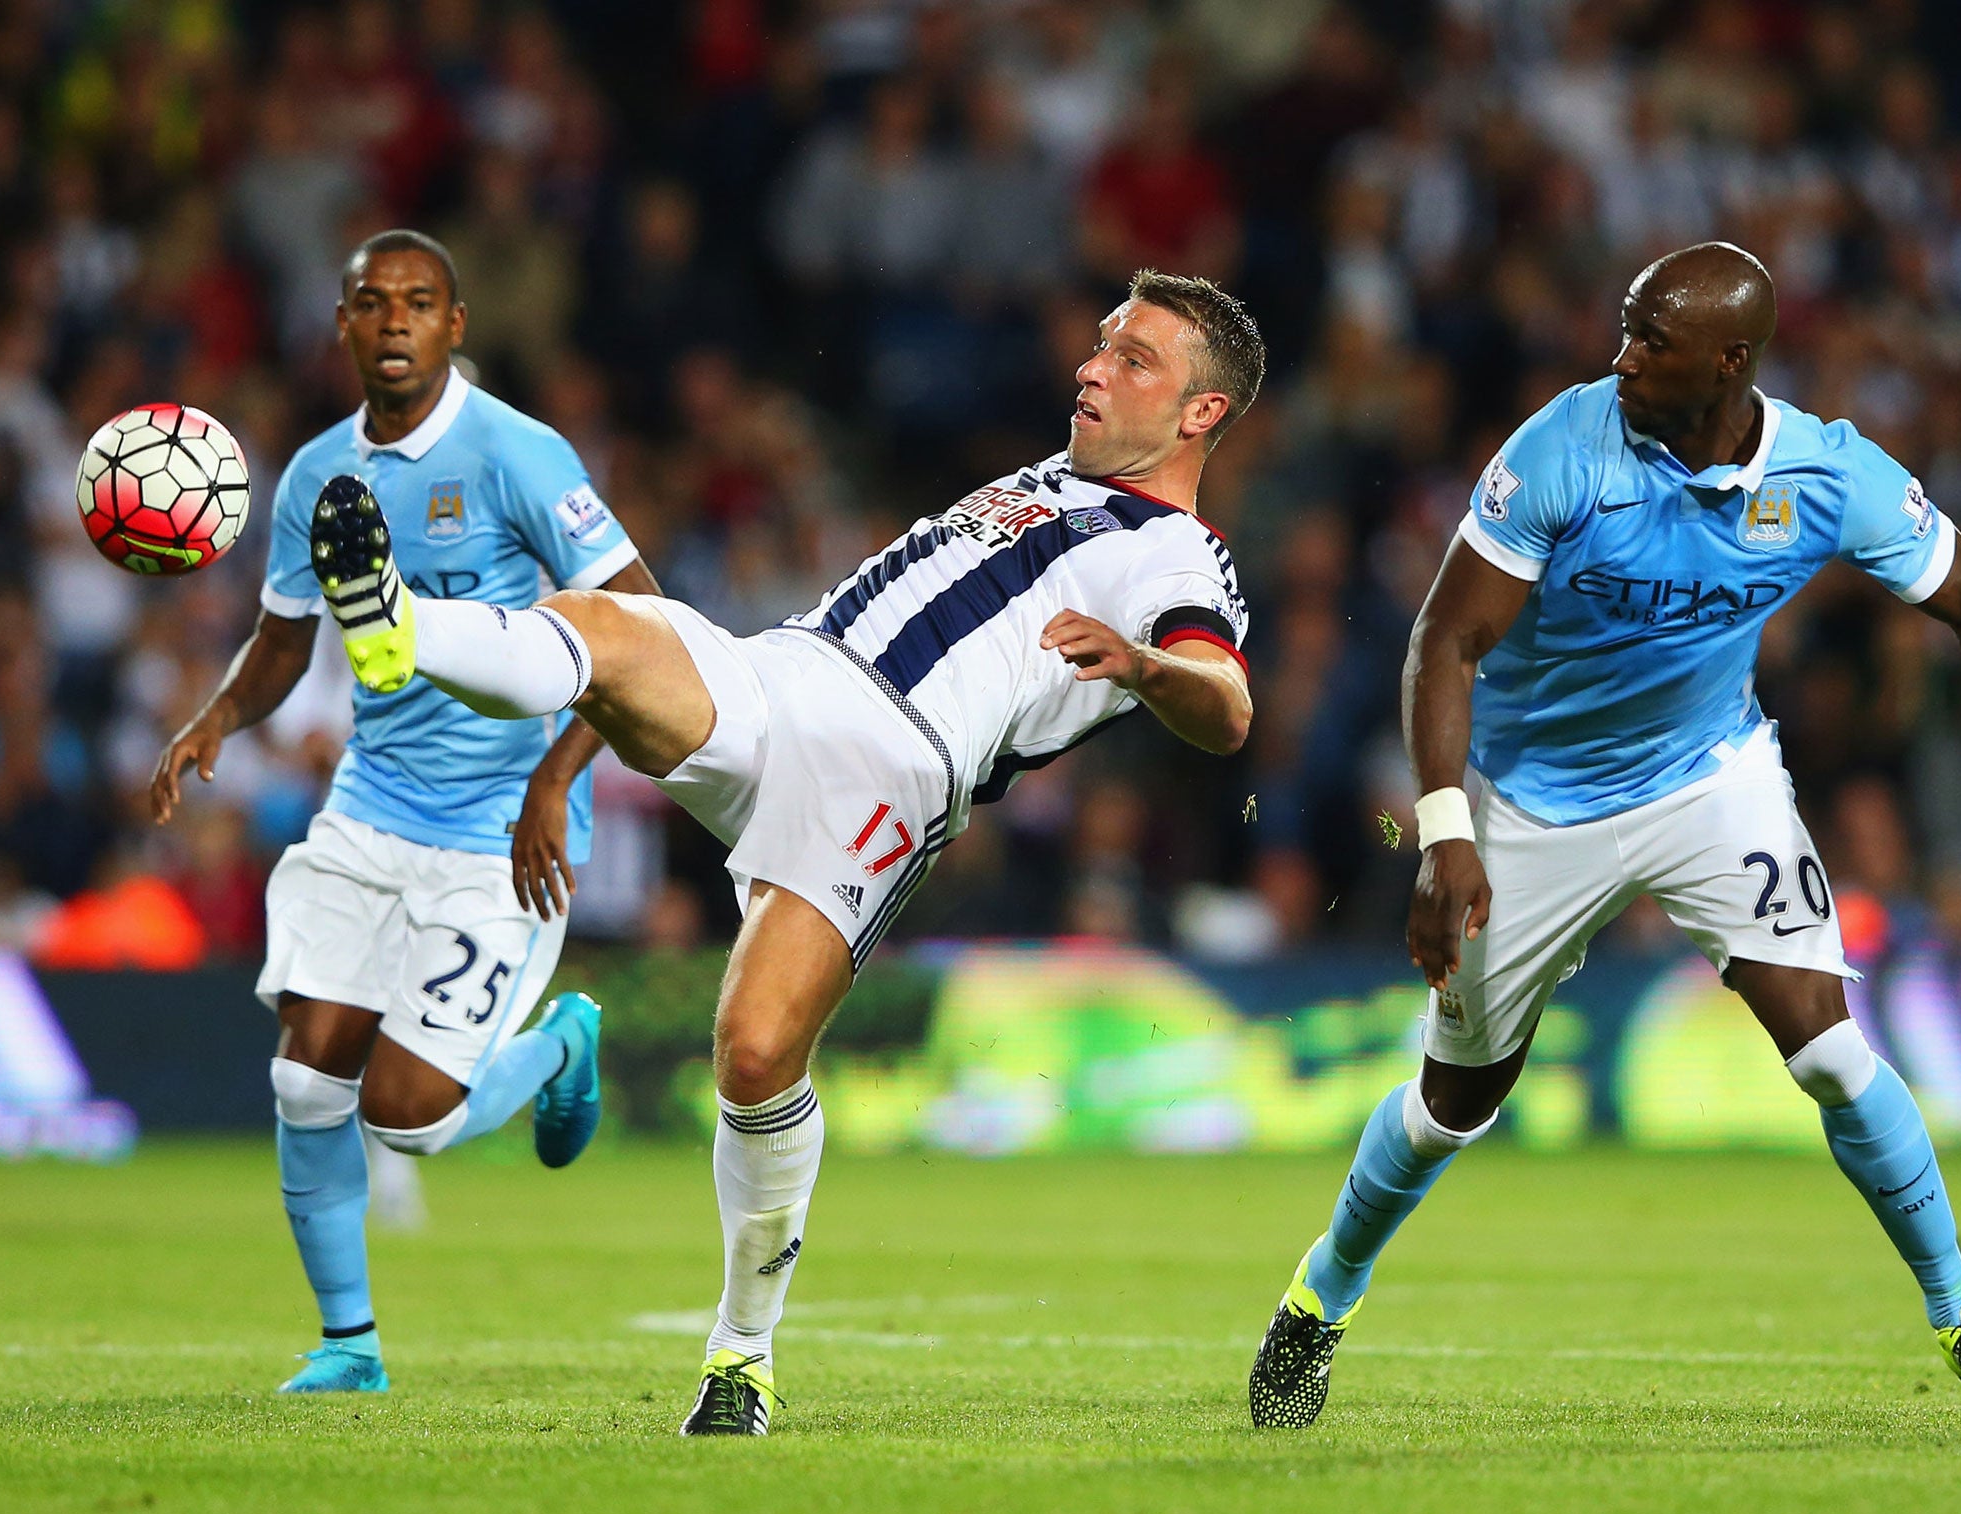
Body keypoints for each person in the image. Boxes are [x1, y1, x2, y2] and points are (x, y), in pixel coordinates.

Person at [304, 269, 1261, 1433]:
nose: (1092, 366)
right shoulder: (1049, 478)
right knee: (613, 630)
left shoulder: (1175, 558)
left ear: (1201, 414)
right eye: (1102, 344)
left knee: (754, 1056)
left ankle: (740, 1357)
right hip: (782, 672)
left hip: (889, 769)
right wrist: (563, 763)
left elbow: (1225, 705)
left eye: (1133, 358)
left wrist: (1149, 665)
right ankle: (398, 627)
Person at [1248, 242, 1961, 1427]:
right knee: (1457, 1100)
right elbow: (1442, 641)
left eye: (1648, 342)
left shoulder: (1826, 474)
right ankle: (1320, 1295)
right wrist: (1444, 831)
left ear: (1727, 361)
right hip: (1525, 801)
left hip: (1706, 780)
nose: (1621, 357)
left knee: (1822, 1043)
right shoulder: (1562, 449)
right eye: (1622, 329)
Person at [151, 230, 661, 1394]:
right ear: (341, 323)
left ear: (454, 326)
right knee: (301, 1082)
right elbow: (285, 638)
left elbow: (645, 627)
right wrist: (215, 721)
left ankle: (558, 1047)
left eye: (417, 304)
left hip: (499, 833)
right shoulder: (317, 476)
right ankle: (348, 1348)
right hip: (370, 814)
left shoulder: (516, 456)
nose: (393, 322)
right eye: (372, 303)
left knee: (410, 1118)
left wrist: (555, 777)